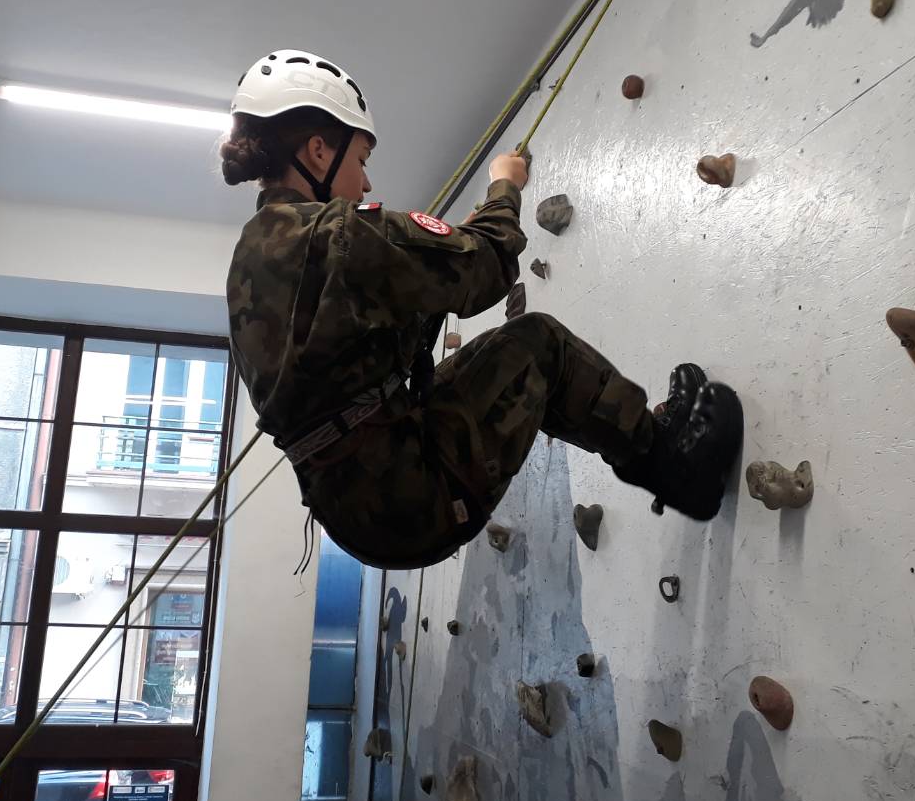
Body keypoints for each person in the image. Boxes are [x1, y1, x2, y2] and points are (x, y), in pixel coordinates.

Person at [221, 49, 744, 570]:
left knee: (502, 362)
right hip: (410, 497)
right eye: (361, 160)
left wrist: (451, 247)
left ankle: (644, 438)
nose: (366, 182)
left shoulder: (254, 258)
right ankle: (676, 469)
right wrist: (505, 184)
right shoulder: (333, 234)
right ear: (318, 152)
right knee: (539, 346)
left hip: (364, 509)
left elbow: (365, 348)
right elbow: (488, 266)